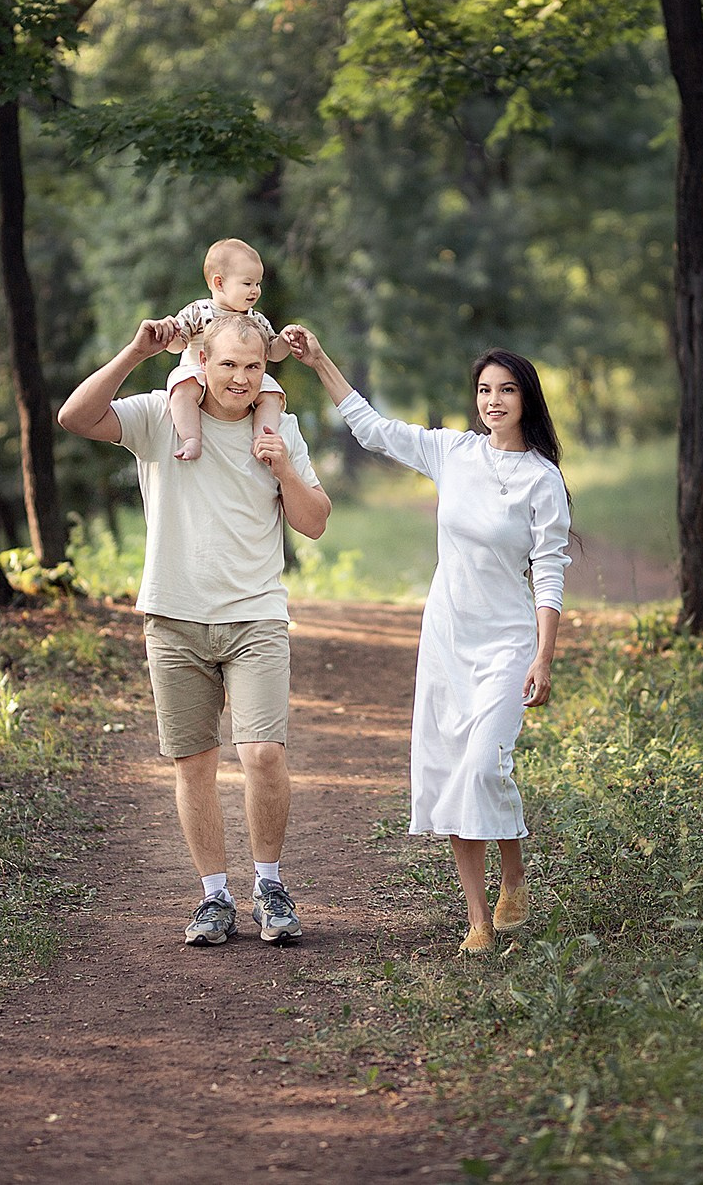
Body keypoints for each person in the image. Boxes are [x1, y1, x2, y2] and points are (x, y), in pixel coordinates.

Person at [284, 325, 571, 955]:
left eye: (507, 390)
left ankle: (514, 874)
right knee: (452, 772)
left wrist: (544, 656)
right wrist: (321, 359)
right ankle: (479, 920)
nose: (493, 400)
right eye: (484, 390)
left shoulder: (542, 480)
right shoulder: (451, 452)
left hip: (507, 642)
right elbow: (372, 428)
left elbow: (549, 569)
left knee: (484, 765)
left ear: (527, 397)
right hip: (446, 637)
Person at [57, 312, 331, 947]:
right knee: (194, 763)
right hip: (174, 617)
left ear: (266, 371)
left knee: (263, 753)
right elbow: (74, 417)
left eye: (253, 367)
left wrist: (285, 470)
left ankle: (270, 887)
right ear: (202, 363)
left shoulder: (279, 428)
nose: (241, 378)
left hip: (255, 615)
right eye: (228, 364)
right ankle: (214, 897)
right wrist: (134, 353)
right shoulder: (162, 416)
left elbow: (315, 522)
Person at [163, 238, 290, 461]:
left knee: (271, 394)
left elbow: (273, 352)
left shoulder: (256, 319)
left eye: (258, 284)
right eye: (247, 283)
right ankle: (191, 439)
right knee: (182, 390)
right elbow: (177, 345)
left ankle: (263, 440)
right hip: (197, 372)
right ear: (219, 283)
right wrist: (169, 334)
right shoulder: (199, 311)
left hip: (243, 376)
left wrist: (286, 340)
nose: (255, 291)